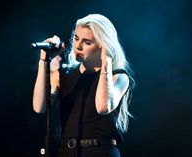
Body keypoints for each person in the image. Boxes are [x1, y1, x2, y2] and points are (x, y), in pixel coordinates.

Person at [32, 14, 135, 157]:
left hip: (101, 151)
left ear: (103, 45)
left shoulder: (118, 76)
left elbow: (103, 107)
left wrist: (106, 61)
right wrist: (44, 60)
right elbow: (39, 107)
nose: (78, 46)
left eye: (87, 42)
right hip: (66, 152)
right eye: (76, 38)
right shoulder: (64, 74)